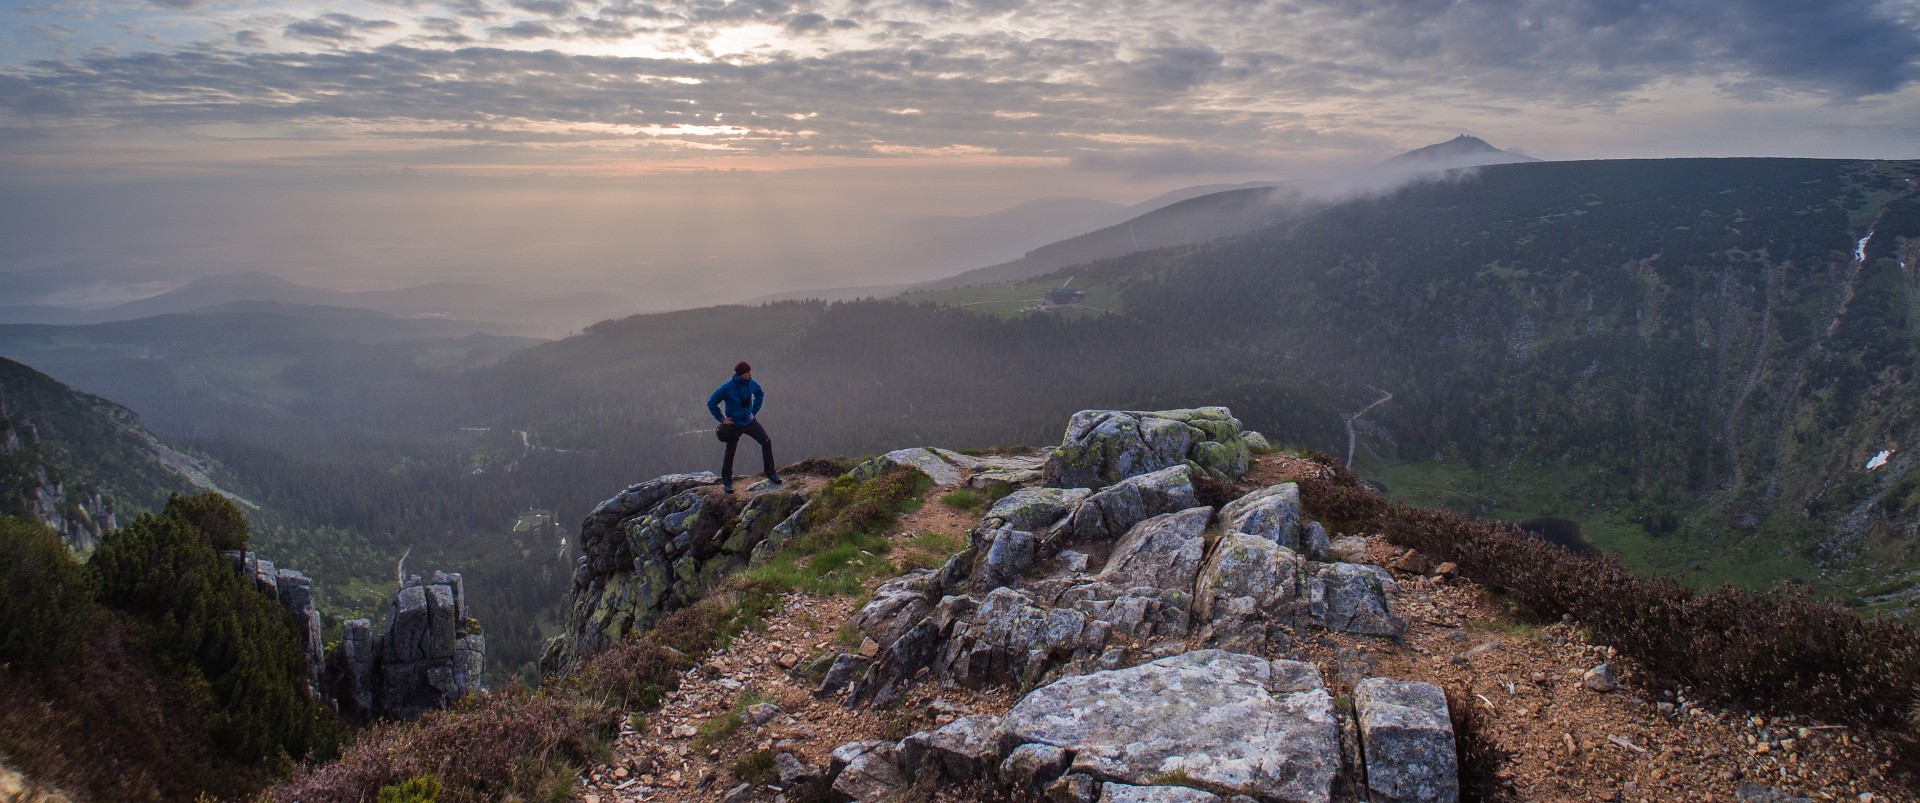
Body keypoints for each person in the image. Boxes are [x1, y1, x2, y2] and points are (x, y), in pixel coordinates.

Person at [707, 361, 779, 493]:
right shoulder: (727, 387)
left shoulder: (751, 383)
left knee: (766, 442)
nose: (750, 374)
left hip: (750, 422)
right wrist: (722, 419)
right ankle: (727, 482)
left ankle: (771, 473)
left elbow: (759, 393)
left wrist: (754, 411)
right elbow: (711, 403)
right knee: (730, 452)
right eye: (748, 372)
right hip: (734, 425)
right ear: (741, 374)